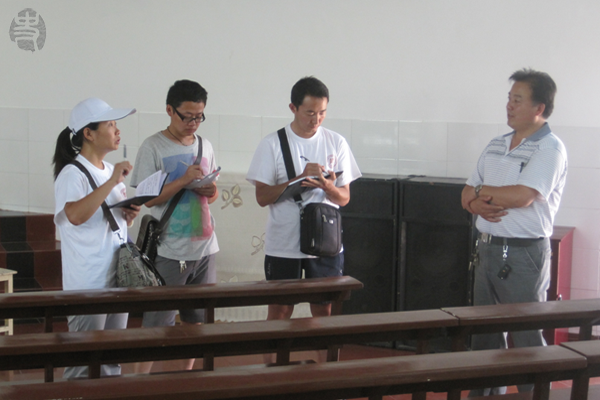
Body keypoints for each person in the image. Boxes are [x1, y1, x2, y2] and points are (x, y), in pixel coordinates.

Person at [461, 69, 568, 396]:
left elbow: (522, 196)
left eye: (517, 100)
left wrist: (480, 194)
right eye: (509, 98)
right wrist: (476, 201)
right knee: (484, 334)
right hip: (486, 249)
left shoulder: (549, 149)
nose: (509, 105)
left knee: (525, 337)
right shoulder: (496, 144)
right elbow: (465, 194)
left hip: (523, 255)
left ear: (539, 108)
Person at [246, 76, 361, 329]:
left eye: (322, 112)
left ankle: (320, 357)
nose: (316, 119)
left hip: (325, 240)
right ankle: (274, 356)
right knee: (280, 309)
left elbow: (344, 198)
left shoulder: (336, 142)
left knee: (323, 309)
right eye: (310, 112)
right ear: (293, 108)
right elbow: (262, 197)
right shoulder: (273, 143)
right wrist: (298, 179)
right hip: (284, 243)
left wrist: (328, 186)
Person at [130, 79, 219, 372]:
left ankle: (186, 375)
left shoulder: (205, 145)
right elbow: (148, 200)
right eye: (187, 116)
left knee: (196, 321)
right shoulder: (153, 147)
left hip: (205, 247)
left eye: (199, 117)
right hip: (170, 248)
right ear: (170, 110)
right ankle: (139, 383)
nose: (193, 123)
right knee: (157, 323)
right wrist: (183, 180)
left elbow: (213, 195)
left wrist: (210, 190)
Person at [53, 97, 139, 379]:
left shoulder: (110, 171)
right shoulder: (72, 173)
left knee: (111, 360)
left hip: (117, 277)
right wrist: (113, 181)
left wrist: (129, 215)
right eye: (110, 124)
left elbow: (110, 221)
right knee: (83, 363)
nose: (117, 130)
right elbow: (75, 215)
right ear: (88, 133)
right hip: (88, 282)